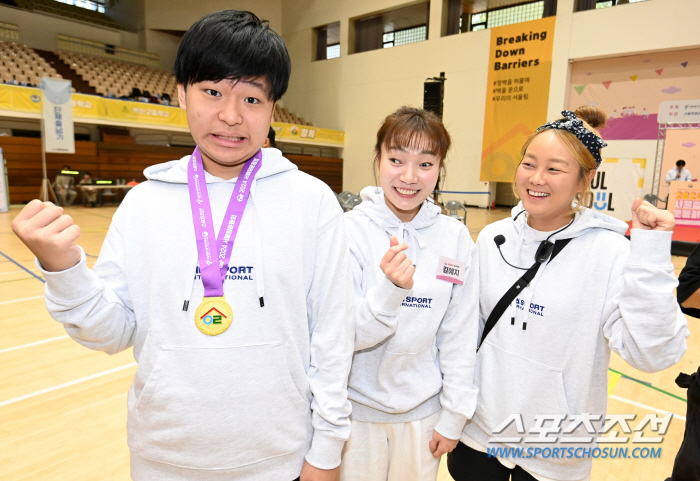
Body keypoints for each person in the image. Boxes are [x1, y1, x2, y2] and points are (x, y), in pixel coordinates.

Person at [12, 10, 354, 481]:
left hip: (280, 457)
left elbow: (333, 337)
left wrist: (328, 448)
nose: (230, 116)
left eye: (251, 98)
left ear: (273, 109)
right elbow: (111, 331)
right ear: (181, 94)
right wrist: (64, 269)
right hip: (165, 457)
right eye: (212, 92)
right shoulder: (143, 204)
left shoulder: (312, 202)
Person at [447, 107, 689, 481]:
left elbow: (654, 354)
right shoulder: (494, 240)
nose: (536, 178)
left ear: (584, 179)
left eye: (555, 169)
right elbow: (465, 334)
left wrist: (651, 253)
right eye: (529, 164)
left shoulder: (610, 254)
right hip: (479, 436)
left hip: (553, 451)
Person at [341, 106, 479, 481]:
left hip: (424, 416)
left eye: (425, 164)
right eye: (396, 159)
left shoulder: (455, 238)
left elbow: (461, 333)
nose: (408, 176)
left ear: (440, 168)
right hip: (355, 415)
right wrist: (389, 293)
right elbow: (339, 335)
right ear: (378, 159)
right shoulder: (348, 232)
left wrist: (453, 415)